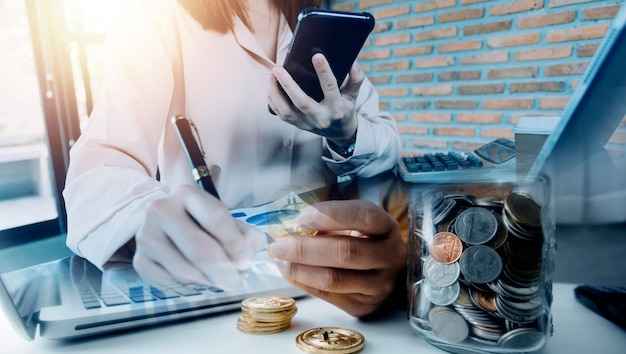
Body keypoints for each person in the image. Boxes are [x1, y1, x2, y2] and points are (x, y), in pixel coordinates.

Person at [63, 0, 403, 317]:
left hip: (327, 289)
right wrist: (141, 219)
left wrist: (347, 132)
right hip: (206, 287)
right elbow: (99, 163)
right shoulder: (158, 18)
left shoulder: (322, 34)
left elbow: (389, 146)